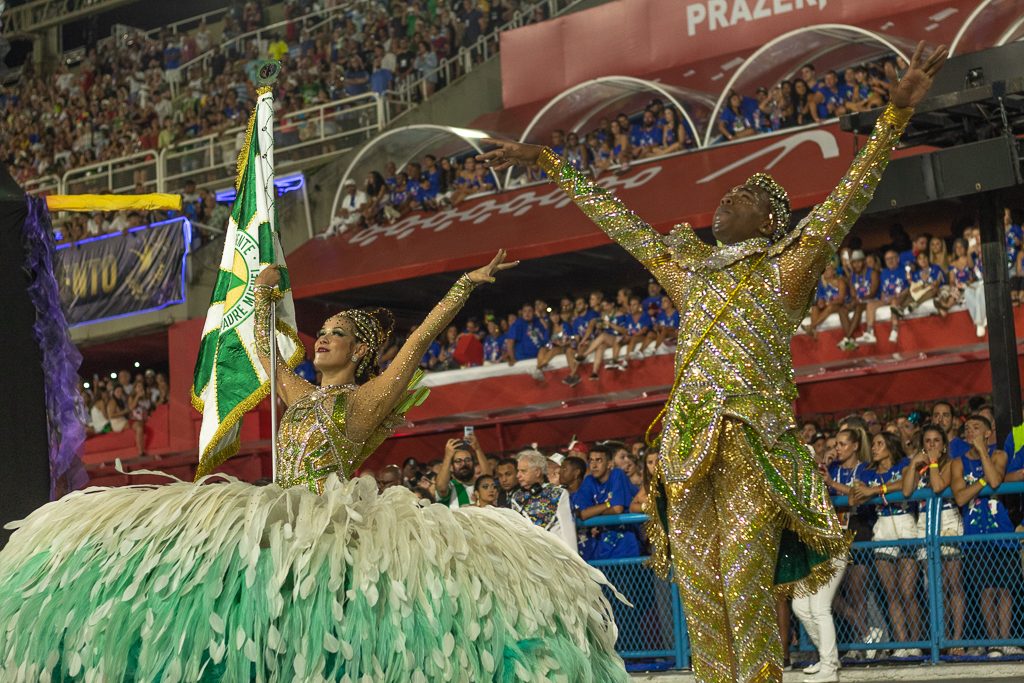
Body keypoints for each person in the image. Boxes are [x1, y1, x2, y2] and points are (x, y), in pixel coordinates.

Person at [477, 41, 949, 682]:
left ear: (770, 221)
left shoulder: (785, 268)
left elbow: (846, 203)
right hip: (689, 448)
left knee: (745, 588)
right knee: (701, 594)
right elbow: (620, 222)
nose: (722, 205)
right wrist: (553, 163)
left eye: (741, 199)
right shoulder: (689, 273)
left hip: (752, 445)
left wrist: (893, 119)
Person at [0, 251, 632, 681]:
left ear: (357, 353)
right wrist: (260, 294)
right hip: (275, 519)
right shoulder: (300, 395)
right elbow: (259, 348)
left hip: (332, 530)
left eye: (334, 335)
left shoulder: (364, 401)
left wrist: (464, 288)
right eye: (318, 333)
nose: (320, 340)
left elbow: (417, 344)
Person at [950, 414, 1023, 657]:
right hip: (974, 534)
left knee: (1004, 589)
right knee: (986, 590)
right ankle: (993, 642)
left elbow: (994, 480)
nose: (970, 431)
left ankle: (1005, 639)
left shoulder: (999, 454)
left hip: (1000, 531)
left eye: (976, 427)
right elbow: (960, 497)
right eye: (967, 428)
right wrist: (982, 479)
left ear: (989, 432)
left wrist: (983, 453)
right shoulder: (958, 463)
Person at [850, 432, 922, 658]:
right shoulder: (866, 471)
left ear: (890, 447)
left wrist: (875, 491)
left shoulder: (903, 464)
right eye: (873, 444)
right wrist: (859, 489)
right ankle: (902, 644)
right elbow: (853, 499)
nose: (874, 448)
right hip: (882, 528)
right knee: (892, 593)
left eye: (879, 443)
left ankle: (916, 643)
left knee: (908, 591)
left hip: (905, 524)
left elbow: (906, 484)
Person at [902, 424, 966, 654]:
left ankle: (957, 639)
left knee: (953, 584)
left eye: (936, 441)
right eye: (927, 441)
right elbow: (907, 491)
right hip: (925, 525)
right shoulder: (918, 468)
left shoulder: (950, 464)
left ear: (944, 445)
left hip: (947, 522)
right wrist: (912, 464)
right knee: (934, 587)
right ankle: (942, 636)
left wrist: (934, 462)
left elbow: (938, 486)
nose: (931, 445)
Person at [575, 445, 640, 560]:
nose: (594, 465)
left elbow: (618, 509)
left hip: (627, 548)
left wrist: (594, 511)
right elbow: (583, 514)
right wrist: (608, 504)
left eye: (599, 460)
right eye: (591, 461)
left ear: (609, 464)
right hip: (602, 550)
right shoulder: (589, 481)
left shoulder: (617, 474)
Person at [510, 450, 577, 550]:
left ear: (537, 472)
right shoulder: (516, 497)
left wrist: (575, 561)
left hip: (555, 555)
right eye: (518, 471)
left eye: (523, 471)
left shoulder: (558, 494)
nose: (518, 475)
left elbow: (568, 530)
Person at [436, 434, 491, 509]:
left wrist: (477, 449)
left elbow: (488, 478)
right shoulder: (450, 487)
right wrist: (448, 456)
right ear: (451, 467)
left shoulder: (479, 485)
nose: (464, 464)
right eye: (458, 461)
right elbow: (441, 488)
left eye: (468, 460)